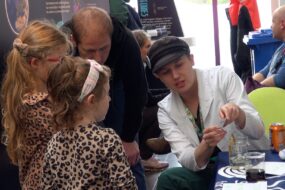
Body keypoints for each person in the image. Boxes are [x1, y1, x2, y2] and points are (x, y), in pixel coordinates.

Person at [147, 36, 269, 190]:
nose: (175, 76)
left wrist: (239, 114)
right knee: (167, 179)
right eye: (166, 72)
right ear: (158, 77)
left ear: (191, 59)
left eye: (179, 65)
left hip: (251, 165)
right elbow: (188, 160)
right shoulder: (166, 110)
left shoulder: (222, 77)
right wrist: (206, 145)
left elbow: (258, 130)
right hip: (212, 169)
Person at [69, 7, 147, 189]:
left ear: (111, 38)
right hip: (77, 95)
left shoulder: (126, 41)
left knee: (129, 158)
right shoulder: (65, 43)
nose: (98, 57)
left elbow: (137, 90)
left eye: (104, 48)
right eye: (90, 50)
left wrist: (128, 138)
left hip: (116, 88)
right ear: (74, 41)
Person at [43, 57, 137, 189]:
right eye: (107, 93)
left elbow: (47, 186)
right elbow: (126, 186)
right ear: (91, 100)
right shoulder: (106, 139)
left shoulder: (54, 141)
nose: (109, 99)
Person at [1, 20, 71, 190]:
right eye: (59, 60)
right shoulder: (34, 107)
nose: (65, 65)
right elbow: (72, 135)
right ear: (35, 63)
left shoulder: (44, 98)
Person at [132, 29, 169, 172]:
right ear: (137, 48)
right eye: (147, 46)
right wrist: (170, 94)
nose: (151, 49)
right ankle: (145, 157)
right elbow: (148, 99)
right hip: (133, 114)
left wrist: (169, 92)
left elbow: (146, 94)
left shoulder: (142, 64)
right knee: (162, 110)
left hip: (137, 111)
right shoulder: (135, 67)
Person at [252, 5, 285, 89]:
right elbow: (265, 72)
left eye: (273, 21)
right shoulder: (281, 48)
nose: (271, 26)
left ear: (282, 24)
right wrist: (249, 85)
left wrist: (254, 90)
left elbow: (280, 79)